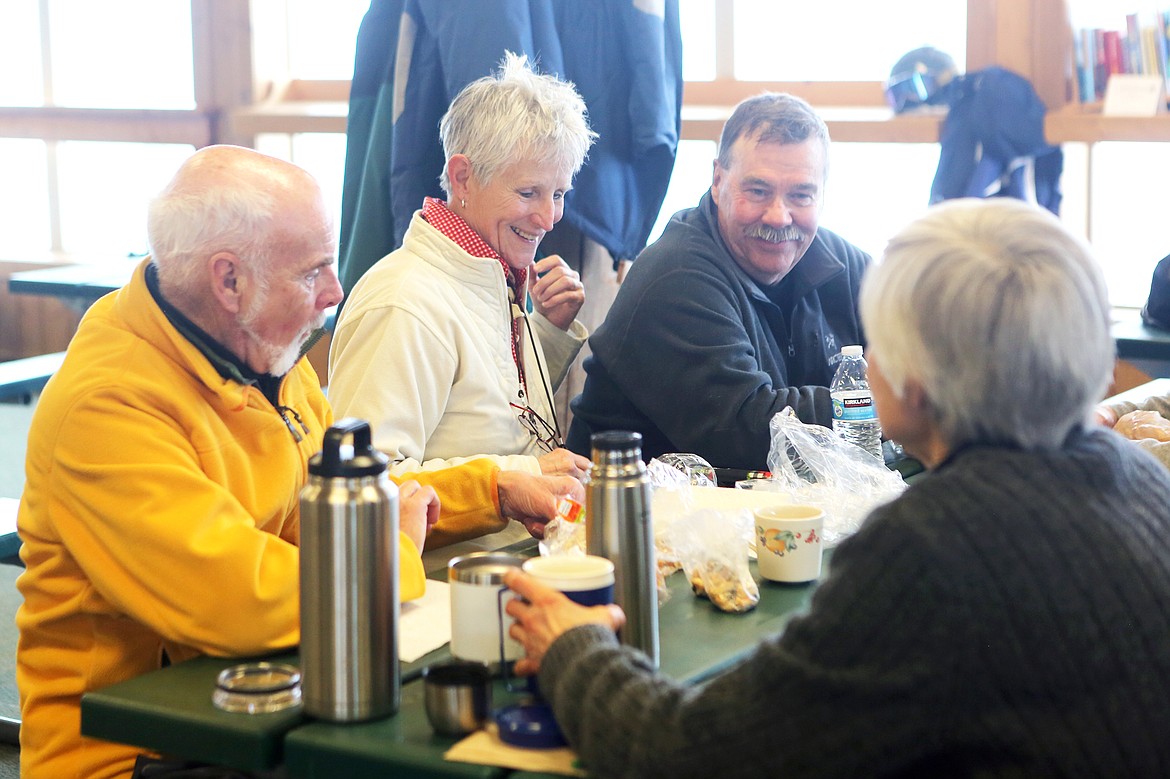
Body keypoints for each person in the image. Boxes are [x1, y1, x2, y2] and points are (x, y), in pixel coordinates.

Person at [505, 198, 1170, 777]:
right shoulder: (1138, 476)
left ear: (914, 381)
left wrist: (574, 645)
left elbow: (694, 756)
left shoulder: (933, 547)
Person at [15, 145, 582, 779]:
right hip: (134, 749)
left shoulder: (263, 358)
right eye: (313, 272)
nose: (334, 293)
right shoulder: (107, 407)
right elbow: (241, 599)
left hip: (264, 699)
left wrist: (497, 488)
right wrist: (390, 554)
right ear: (229, 281)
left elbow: (350, 494)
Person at [566, 92, 871, 470]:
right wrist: (878, 402)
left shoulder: (842, 263)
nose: (779, 216)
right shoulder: (676, 275)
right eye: (758, 191)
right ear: (717, 180)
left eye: (800, 195)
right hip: (631, 517)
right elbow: (750, 429)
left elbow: (928, 357)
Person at [329, 53, 594, 486]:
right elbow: (362, 487)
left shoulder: (490, 272)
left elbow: (481, 414)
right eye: (529, 193)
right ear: (462, 177)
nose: (549, 218)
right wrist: (522, 476)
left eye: (559, 194)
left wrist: (547, 332)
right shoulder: (402, 304)